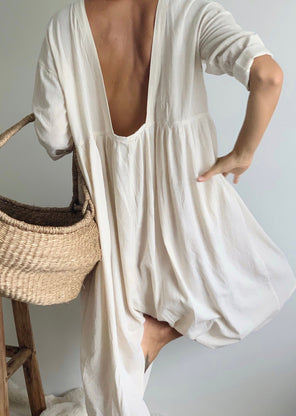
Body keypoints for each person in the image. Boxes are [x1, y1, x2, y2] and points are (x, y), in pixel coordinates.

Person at [32, 0, 296, 415]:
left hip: (113, 208)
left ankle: (152, 337)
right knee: (255, 285)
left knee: (113, 369)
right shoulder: (191, 11)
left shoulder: (64, 27)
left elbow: (53, 136)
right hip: (187, 198)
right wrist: (242, 154)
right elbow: (267, 75)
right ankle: (156, 334)